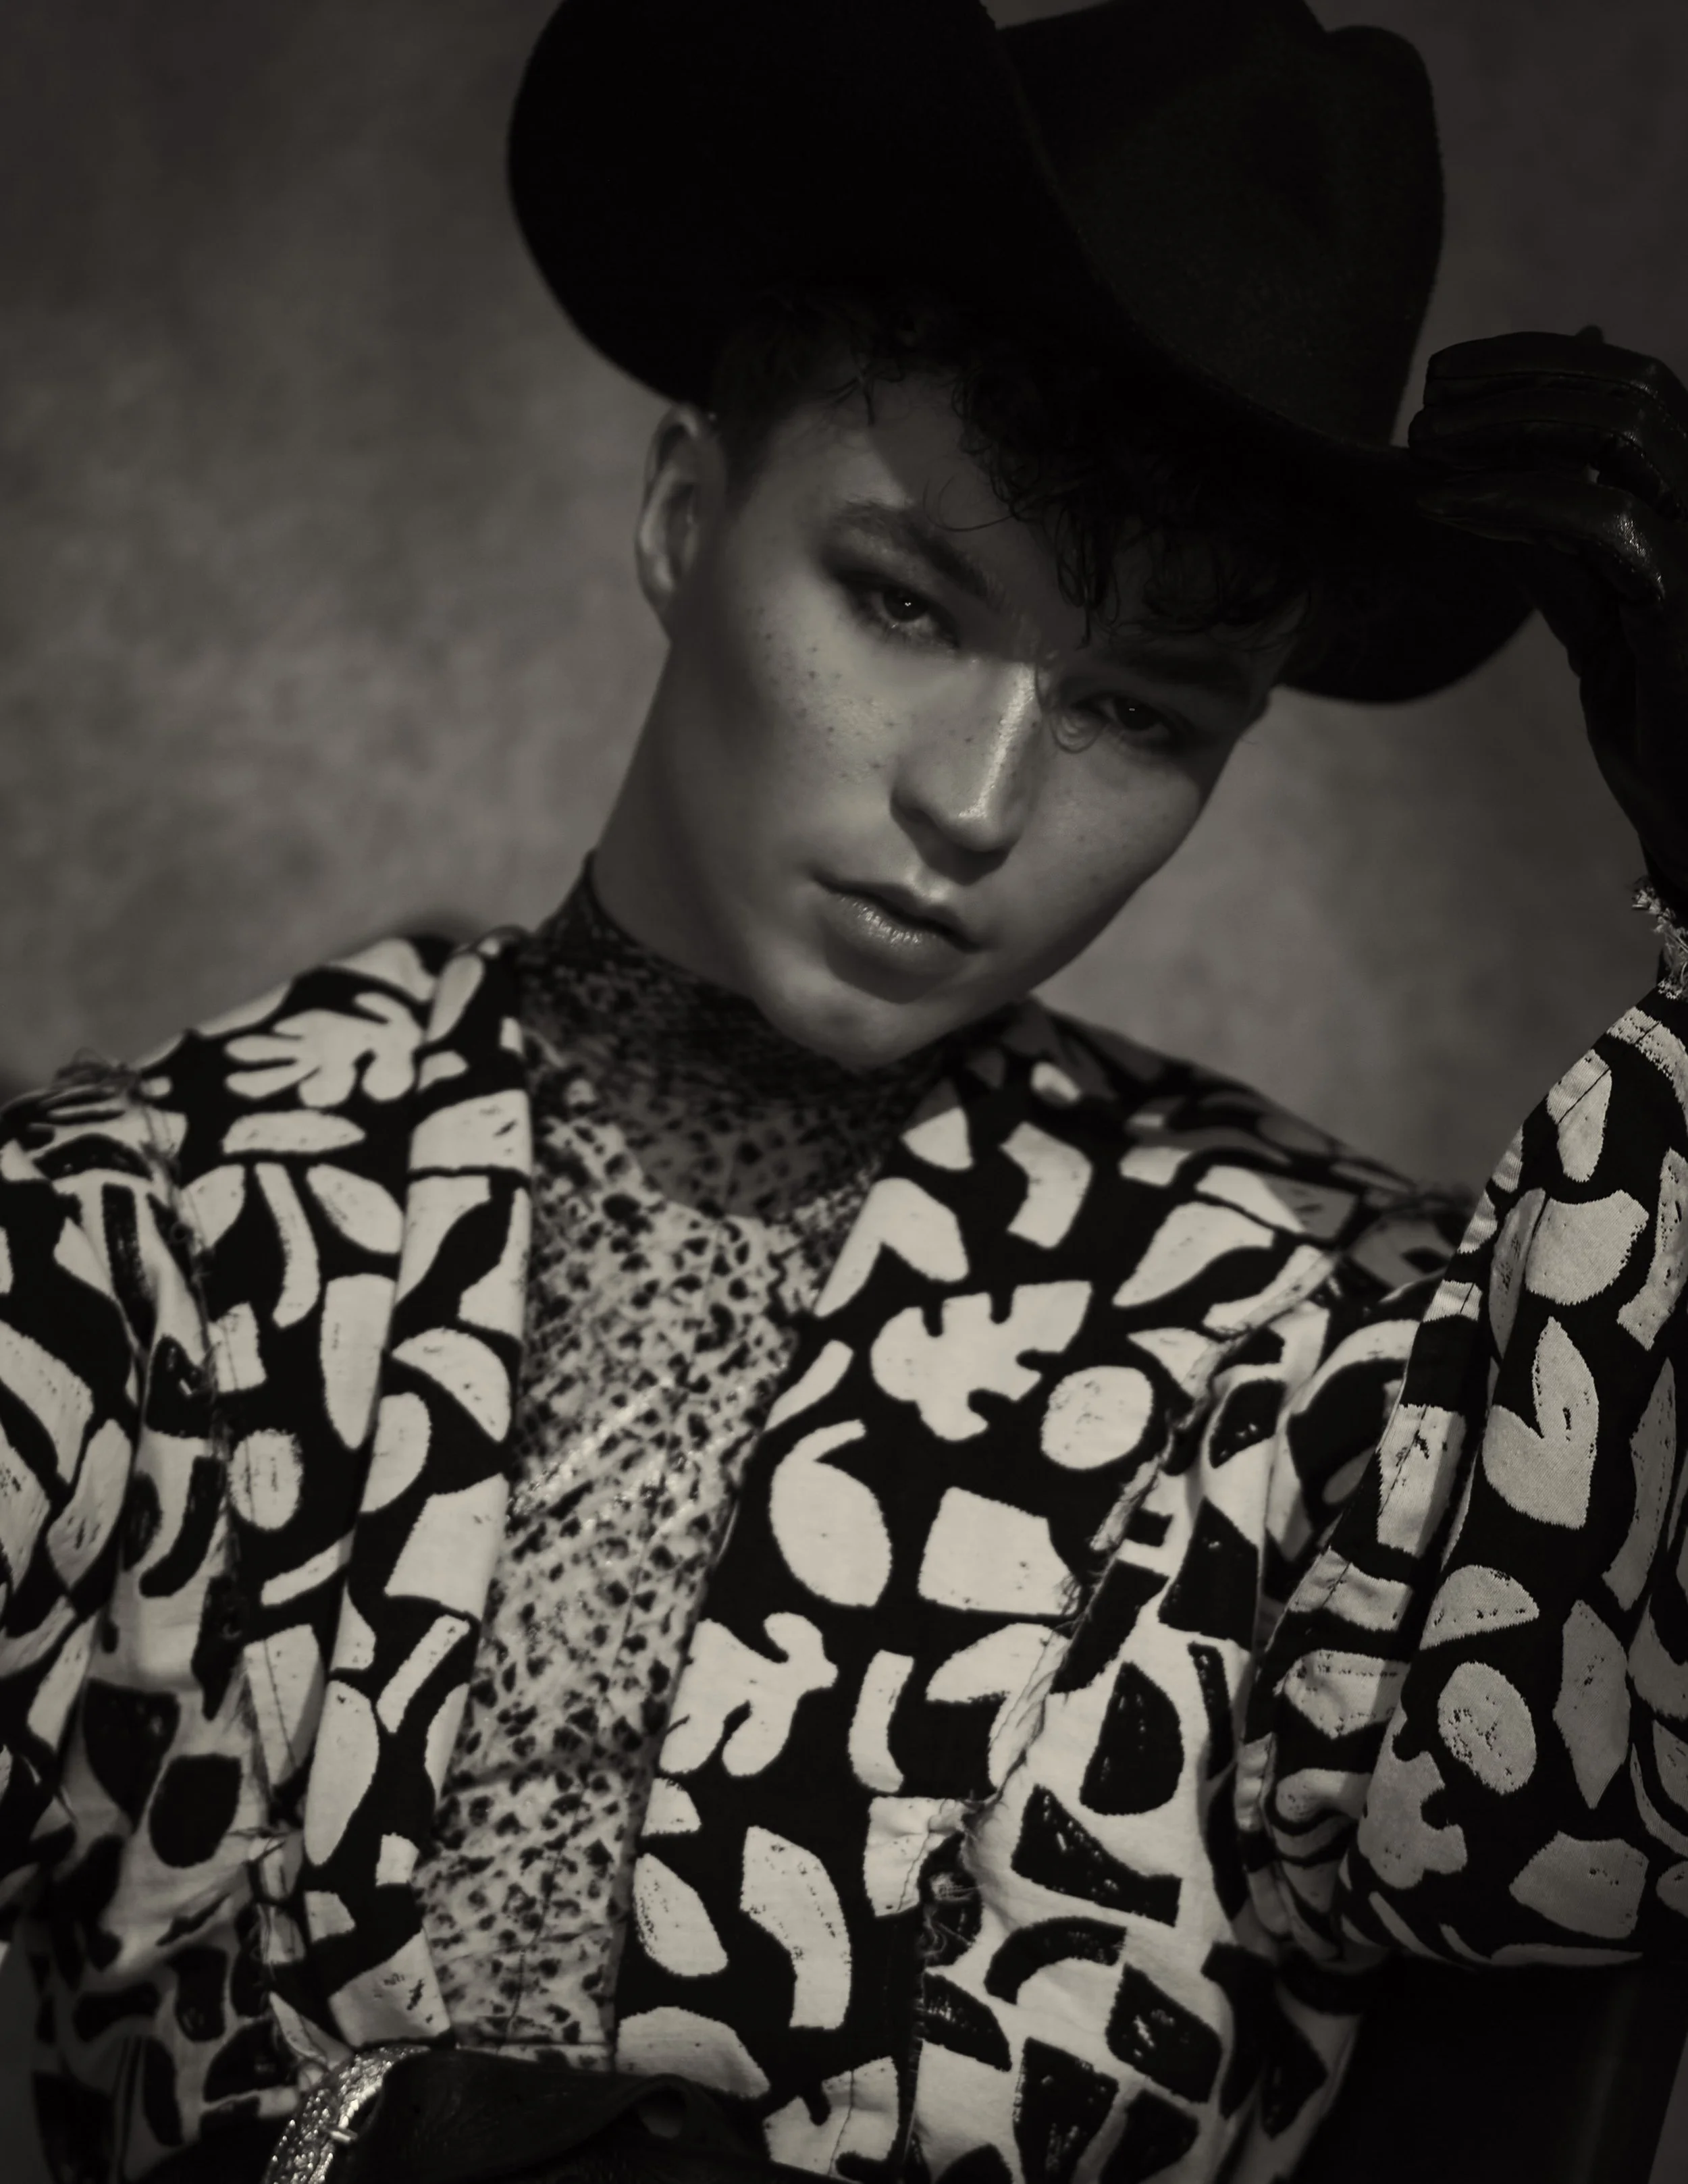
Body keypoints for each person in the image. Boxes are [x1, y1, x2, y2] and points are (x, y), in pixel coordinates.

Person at [3, 1, 1688, 2180]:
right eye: (902, 599)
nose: (975, 805)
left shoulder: (1323, 1354)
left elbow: (1562, 1812)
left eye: (1146, 716)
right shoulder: (162, 1238)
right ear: (683, 510)